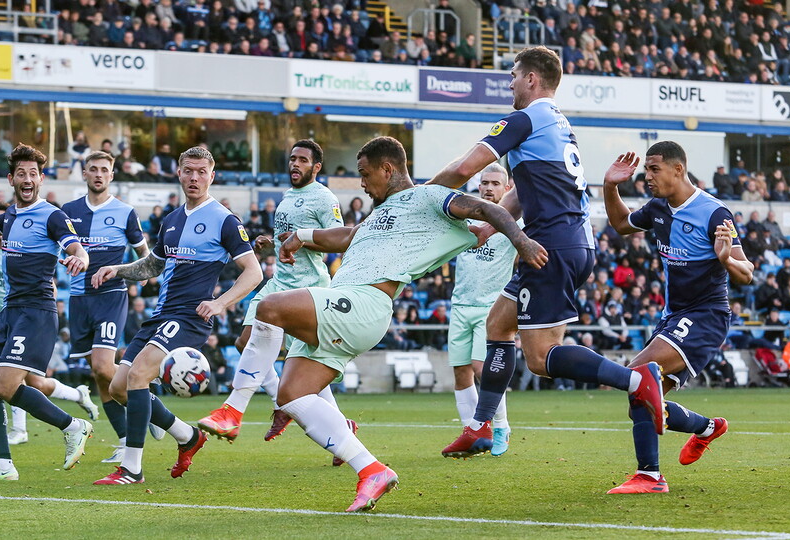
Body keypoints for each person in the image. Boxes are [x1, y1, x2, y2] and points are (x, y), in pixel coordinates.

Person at [246, 136, 544, 512]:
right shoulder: (383, 212)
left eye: (365, 174)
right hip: (355, 299)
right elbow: (347, 236)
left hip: (363, 303)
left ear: (387, 169)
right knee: (292, 395)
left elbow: (486, 209)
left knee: (269, 307)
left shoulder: (429, 196)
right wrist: (298, 239)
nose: (362, 183)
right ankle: (371, 470)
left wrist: (521, 241)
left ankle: (233, 406)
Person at [430, 46, 666, 460]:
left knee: (540, 358)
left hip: (550, 246)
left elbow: (465, 168)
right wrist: (489, 225)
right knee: (498, 325)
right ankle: (481, 427)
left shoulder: (524, 118)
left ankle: (635, 379)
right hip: (565, 240)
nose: (510, 84)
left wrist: (418, 196)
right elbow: (523, 187)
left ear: (532, 79)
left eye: (514, 76)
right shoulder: (557, 121)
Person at [92, 146, 261, 486]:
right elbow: (153, 265)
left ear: (212, 176)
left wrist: (219, 303)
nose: (195, 177)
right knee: (119, 386)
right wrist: (118, 270)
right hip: (162, 315)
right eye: (189, 171)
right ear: (179, 174)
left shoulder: (224, 220)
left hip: (189, 317)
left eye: (202, 171)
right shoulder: (171, 219)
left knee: (138, 375)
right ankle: (187, 436)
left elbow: (253, 272)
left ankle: (131, 469)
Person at [601, 142, 753, 493]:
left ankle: (650, 477)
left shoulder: (715, 213)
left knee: (638, 374)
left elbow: (747, 273)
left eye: (654, 169)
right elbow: (622, 224)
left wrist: (726, 259)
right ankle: (707, 428)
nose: (647, 177)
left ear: (678, 169)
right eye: (646, 171)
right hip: (674, 317)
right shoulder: (658, 208)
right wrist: (610, 186)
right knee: (642, 400)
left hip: (706, 315)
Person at [0, 145, 95, 482]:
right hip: (11, 310)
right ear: (11, 179)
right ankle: (3, 465)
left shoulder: (52, 215)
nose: (28, 179)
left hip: (36, 311)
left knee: (5, 383)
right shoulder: (12, 216)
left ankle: (73, 425)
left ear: (41, 179)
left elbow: (76, 247)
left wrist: (81, 259)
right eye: (22, 173)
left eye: (33, 173)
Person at [198, 140, 346, 452]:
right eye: (292, 159)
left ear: (316, 167)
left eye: (303, 160)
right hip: (279, 280)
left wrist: (301, 241)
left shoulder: (324, 198)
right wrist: (272, 243)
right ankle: (285, 406)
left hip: (308, 285)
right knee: (244, 342)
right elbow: (286, 239)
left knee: (303, 366)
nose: (295, 164)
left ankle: (334, 427)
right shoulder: (288, 197)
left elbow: (339, 241)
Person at [0, 219, 98, 446]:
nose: (1, 229)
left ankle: (21, 430)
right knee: (33, 383)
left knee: (13, 381)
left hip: (28, 319)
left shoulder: (24, 245)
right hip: (5, 319)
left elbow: (50, 282)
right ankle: (78, 395)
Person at [61, 151, 150, 463]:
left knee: (102, 365)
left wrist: (139, 274)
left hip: (111, 295)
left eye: (105, 170)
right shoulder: (68, 211)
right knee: (99, 376)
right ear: (84, 173)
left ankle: (147, 404)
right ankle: (126, 440)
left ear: (112, 176)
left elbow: (145, 256)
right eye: (93, 169)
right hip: (78, 299)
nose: (99, 174)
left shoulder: (125, 212)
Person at [445, 163, 519, 458]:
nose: (488, 188)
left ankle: (500, 426)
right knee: (461, 371)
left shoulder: (514, 223)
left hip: (491, 308)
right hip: (460, 304)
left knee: (481, 369)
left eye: (495, 184)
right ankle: (471, 434)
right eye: (484, 183)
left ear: (507, 189)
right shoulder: (464, 220)